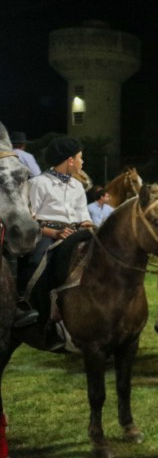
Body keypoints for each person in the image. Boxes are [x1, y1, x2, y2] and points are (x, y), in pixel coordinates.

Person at [18, 137, 93, 343]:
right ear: (70, 160)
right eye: (80, 158)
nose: (82, 162)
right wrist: (54, 233)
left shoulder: (77, 186)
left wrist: (89, 227)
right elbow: (30, 218)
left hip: (76, 234)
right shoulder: (38, 184)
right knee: (36, 260)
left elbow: (83, 215)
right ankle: (23, 302)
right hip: (46, 235)